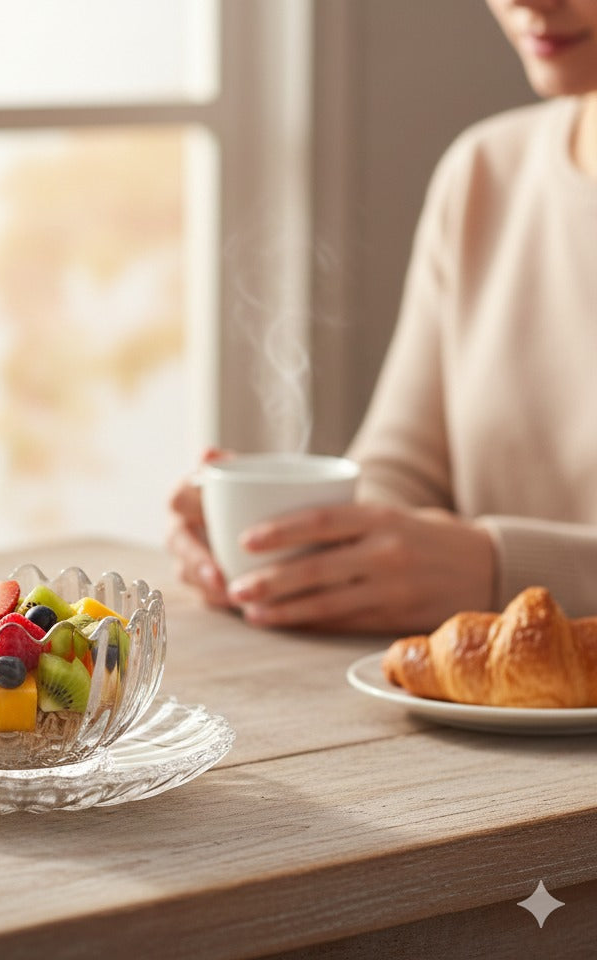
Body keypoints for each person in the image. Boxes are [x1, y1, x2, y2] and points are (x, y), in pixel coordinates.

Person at [168, 0, 597, 634]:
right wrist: (295, 538)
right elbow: (404, 471)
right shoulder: (485, 174)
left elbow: (479, 565)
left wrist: (501, 571)